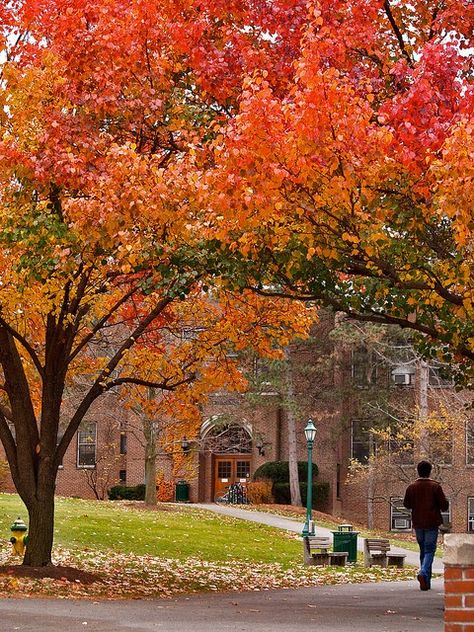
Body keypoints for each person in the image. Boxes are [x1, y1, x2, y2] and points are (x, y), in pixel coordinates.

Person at [403, 460, 449, 591]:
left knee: (423, 550)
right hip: (432, 523)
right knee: (430, 550)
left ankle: (426, 583)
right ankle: (423, 573)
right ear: (430, 471)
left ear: (418, 471)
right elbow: (444, 506)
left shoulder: (411, 487)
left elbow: (407, 504)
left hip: (418, 523)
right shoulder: (435, 486)